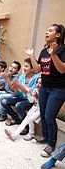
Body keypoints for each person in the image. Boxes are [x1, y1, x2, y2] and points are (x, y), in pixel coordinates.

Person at [26, 24, 65, 157]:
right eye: (46, 30)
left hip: (59, 89)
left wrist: (54, 54)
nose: (46, 32)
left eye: (50, 30)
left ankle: (51, 145)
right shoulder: (44, 50)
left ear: (58, 34)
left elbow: (62, 70)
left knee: (49, 117)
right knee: (43, 114)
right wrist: (31, 56)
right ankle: (46, 138)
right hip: (45, 87)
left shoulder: (63, 49)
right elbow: (38, 70)